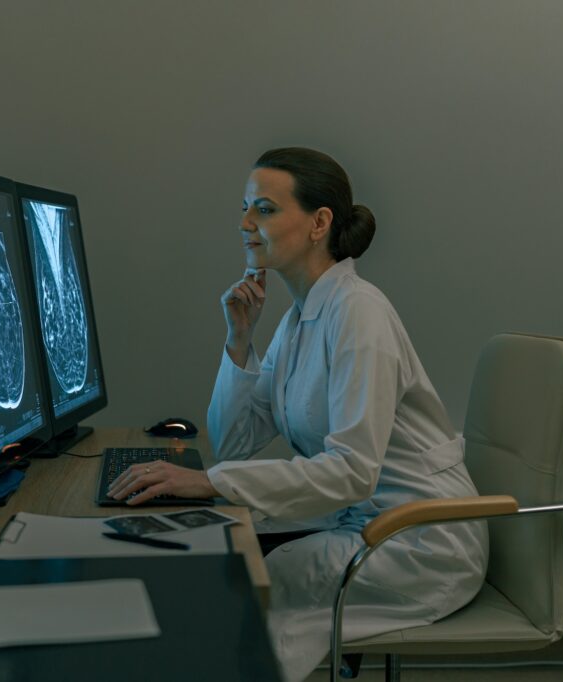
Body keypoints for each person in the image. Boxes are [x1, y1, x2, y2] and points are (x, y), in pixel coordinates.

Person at [108, 147, 488, 682]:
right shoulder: (298, 319)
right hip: (365, 524)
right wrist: (241, 339)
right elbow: (233, 442)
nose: (244, 223)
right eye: (245, 208)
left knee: (250, 583)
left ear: (319, 223)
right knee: (227, 559)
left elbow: (354, 471)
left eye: (263, 209)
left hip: (422, 543)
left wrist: (207, 483)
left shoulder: (360, 314)